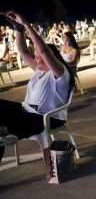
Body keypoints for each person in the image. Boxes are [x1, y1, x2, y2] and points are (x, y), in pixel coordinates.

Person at [0, 11, 75, 178]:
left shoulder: (60, 74)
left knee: (4, 132)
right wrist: (17, 28)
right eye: (36, 57)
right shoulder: (39, 71)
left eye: (39, 57)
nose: (36, 58)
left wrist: (27, 24)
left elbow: (43, 51)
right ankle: (5, 134)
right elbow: (22, 50)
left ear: (51, 58)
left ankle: (8, 133)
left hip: (46, 118)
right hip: (26, 111)